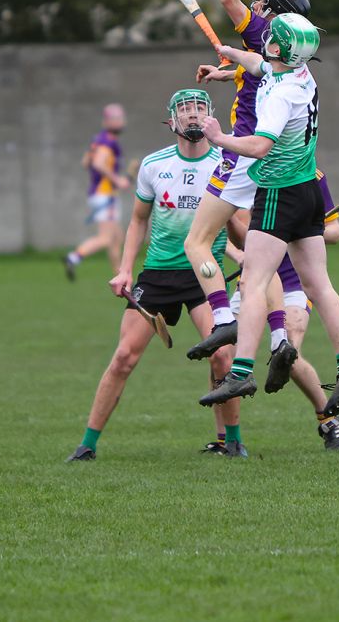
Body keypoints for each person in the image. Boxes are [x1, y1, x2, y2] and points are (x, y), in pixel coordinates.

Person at [196, 15, 339, 417]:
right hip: (309, 190)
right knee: (320, 285)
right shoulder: (299, 72)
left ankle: (240, 371)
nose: (266, 38)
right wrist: (230, 57)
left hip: (278, 193)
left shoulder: (279, 96)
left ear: (277, 48)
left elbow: (258, 145)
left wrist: (219, 137)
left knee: (254, 283)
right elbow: (258, 66)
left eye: (271, 38)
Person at [67, 90, 246, 461]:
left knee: (223, 358)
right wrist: (124, 270)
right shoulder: (154, 165)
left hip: (204, 278)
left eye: (200, 109)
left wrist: (249, 258)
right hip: (159, 275)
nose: (193, 116)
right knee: (123, 358)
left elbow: (236, 223)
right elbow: (137, 221)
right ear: (172, 121)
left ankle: (231, 442)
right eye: (186, 110)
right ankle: (87, 445)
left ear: (211, 116)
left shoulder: (227, 163)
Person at [181, 0, 308, 352]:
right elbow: (257, 72)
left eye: (262, 3)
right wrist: (225, 71)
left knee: (196, 242)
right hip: (277, 165)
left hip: (242, 154)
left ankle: (222, 316)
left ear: (273, 15)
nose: (254, 7)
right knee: (251, 251)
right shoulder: (292, 51)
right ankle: (278, 337)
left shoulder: (267, 30)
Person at [223, 170, 339, 450]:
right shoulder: (249, 172)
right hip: (256, 284)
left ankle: (328, 418)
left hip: (293, 283)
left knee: (287, 352)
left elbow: (336, 232)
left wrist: (297, 231)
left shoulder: (312, 176)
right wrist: (240, 241)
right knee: (222, 356)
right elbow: (239, 238)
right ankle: (227, 439)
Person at [64, 104, 132, 279]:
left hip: (100, 194)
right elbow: (97, 164)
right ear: (107, 121)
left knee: (117, 237)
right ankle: (74, 257)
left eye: (120, 118)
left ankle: (119, 274)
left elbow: (85, 162)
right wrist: (118, 180)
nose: (120, 122)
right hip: (105, 195)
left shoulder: (99, 140)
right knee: (106, 238)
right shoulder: (108, 142)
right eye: (115, 118)